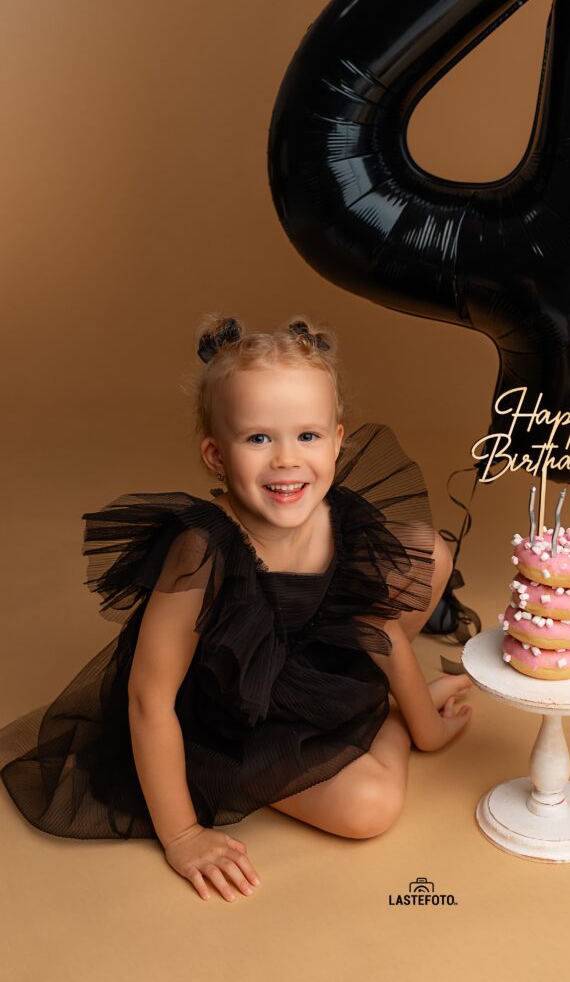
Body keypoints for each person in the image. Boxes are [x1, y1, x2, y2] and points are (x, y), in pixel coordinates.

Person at [0, 313, 473, 902]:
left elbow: (377, 627)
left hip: (313, 662)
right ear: (216, 456)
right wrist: (182, 835)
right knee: (370, 809)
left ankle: (392, 716)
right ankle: (387, 724)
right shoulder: (202, 553)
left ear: (338, 440)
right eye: (257, 438)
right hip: (231, 718)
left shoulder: (338, 515)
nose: (285, 460)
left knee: (429, 553)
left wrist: (429, 729)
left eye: (307, 436)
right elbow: (149, 699)